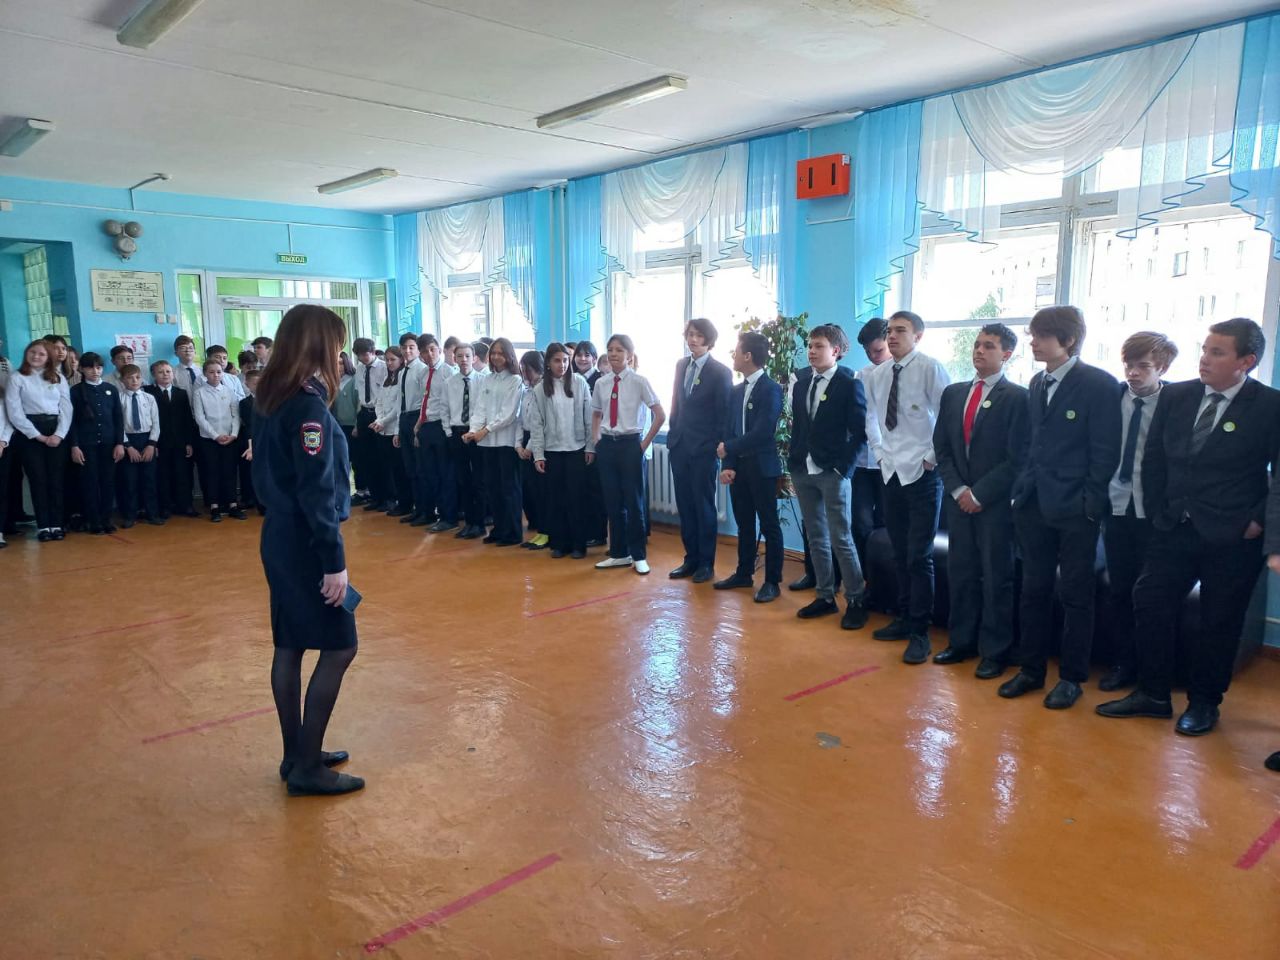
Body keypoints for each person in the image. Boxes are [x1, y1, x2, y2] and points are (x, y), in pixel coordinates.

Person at [1098, 318, 1280, 736]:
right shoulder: (1177, 395)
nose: (1204, 359)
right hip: (1174, 527)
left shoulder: (1270, 405)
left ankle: (1204, 703)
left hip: (1234, 536)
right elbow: (1155, 459)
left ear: (1246, 361)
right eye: (1204, 349)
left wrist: (1257, 522)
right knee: (1149, 600)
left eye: (1217, 352)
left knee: (1219, 621)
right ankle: (1153, 694)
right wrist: (1160, 510)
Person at [251, 304, 362, 797]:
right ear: (318, 345)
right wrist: (333, 563)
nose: (339, 356)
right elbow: (316, 493)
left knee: (291, 645)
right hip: (305, 542)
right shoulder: (308, 407)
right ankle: (308, 769)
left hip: (279, 534)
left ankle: (296, 753)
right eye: (336, 346)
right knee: (340, 646)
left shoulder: (269, 397)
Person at [1003, 306, 1121, 709]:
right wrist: (1021, 489)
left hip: (1076, 510)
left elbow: (1105, 451)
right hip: (1033, 503)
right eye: (1032, 334)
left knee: (1076, 595)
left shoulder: (1099, 384)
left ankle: (1071, 677)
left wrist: (1090, 503)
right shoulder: (1037, 382)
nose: (1033, 342)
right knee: (1033, 590)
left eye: (1041, 336)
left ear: (1068, 340)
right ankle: (1031, 669)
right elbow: (1030, 444)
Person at [931, 323, 1028, 678]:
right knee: (962, 573)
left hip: (995, 505)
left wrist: (980, 493)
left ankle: (995, 650)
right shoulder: (954, 393)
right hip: (959, 502)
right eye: (977, 344)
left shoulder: (1017, 398)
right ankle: (961, 642)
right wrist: (959, 490)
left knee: (997, 577)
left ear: (1006, 354)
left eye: (989, 346)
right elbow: (942, 448)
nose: (979, 351)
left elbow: (1018, 458)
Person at [863, 310, 950, 664]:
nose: (892, 336)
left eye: (901, 330)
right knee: (899, 552)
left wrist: (931, 458)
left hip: (923, 474)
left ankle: (919, 631)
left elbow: (946, 417)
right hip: (891, 471)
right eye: (890, 330)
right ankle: (903, 617)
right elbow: (871, 416)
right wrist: (879, 453)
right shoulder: (878, 374)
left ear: (918, 336)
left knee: (919, 555)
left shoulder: (930, 368)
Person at [1097, 332, 1178, 692]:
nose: (1133, 372)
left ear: (1162, 367)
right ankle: (1123, 663)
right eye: (1129, 365)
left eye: (1143, 366)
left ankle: (1153, 672)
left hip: (1155, 513)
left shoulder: (1176, 403)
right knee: (1120, 591)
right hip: (1116, 508)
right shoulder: (1111, 398)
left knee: (1152, 596)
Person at [788, 324, 869, 628]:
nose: (811, 351)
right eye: (810, 345)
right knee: (815, 536)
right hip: (803, 469)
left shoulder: (849, 383)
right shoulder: (801, 383)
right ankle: (824, 596)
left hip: (832, 472)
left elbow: (859, 433)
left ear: (835, 351)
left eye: (818, 346)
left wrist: (842, 469)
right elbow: (799, 427)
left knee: (841, 538)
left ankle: (856, 599)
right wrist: (794, 461)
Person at [715, 331, 785, 603]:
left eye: (736, 351)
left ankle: (772, 582)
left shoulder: (771, 389)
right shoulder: (736, 391)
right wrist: (728, 464)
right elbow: (729, 429)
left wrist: (729, 448)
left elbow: (763, 432)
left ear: (748, 356)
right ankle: (743, 573)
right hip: (739, 468)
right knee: (744, 523)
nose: (733, 355)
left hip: (762, 467)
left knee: (769, 524)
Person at [591, 334, 665, 575]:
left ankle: (639, 555)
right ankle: (618, 553)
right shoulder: (601, 383)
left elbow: (660, 414)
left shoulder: (639, 381)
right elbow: (596, 413)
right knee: (613, 502)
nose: (613, 354)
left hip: (630, 444)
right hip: (607, 445)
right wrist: (596, 439)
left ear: (629, 355)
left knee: (634, 503)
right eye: (610, 349)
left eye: (619, 350)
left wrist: (643, 445)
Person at [666, 318, 733, 582]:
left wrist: (715, 446)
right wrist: (673, 433)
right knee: (685, 504)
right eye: (690, 334)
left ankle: (706, 562)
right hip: (679, 446)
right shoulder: (681, 365)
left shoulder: (720, 372)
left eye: (699, 335)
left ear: (709, 340)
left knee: (703, 506)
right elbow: (676, 403)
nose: (693, 339)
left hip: (704, 450)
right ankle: (690, 558)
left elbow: (724, 414)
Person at [526, 342, 594, 559]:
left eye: (565, 360)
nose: (562, 365)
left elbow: (589, 418)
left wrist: (590, 447)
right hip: (552, 451)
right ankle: (560, 543)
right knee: (556, 499)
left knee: (576, 499)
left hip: (576, 449)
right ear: (548, 363)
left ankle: (578, 545)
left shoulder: (579, 383)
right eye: (557, 360)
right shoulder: (540, 389)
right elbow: (537, 424)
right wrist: (538, 454)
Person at [6, 339, 72, 542]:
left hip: (56, 431)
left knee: (56, 480)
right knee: (38, 480)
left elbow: (66, 408)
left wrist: (59, 434)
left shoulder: (58, 378)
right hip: (29, 433)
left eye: (41, 354)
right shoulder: (17, 378)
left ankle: (56, 524)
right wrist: (38, 436)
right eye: (32, 352)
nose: (36, 356)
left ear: (48, 357)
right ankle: (43, 526)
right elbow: (14, 411)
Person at [465, 337, 524, 546]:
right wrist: (473, 430)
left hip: (505, 442)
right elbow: (479, 408)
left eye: (501, 353)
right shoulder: (487, 379)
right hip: (486, 443)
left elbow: (509, 413)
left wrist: (486, 430)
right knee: (492, 488)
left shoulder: (515, 380)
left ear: (509, 356)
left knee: (509, 489)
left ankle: (513, 532)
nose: (497, 357)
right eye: (494, 353)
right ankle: (499, 530)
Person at [68, 352, 125, 535]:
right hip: (87, 444)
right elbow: (72, 421)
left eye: (99, 367)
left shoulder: (111, 389)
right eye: (90, 367)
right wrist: (75, 445)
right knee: (90, 483)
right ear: (82, 369)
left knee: (108, 482)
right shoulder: (76, 391)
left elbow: (118, 418)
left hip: (109, 443)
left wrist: (119, 443)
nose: (95, 371)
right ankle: (93, 521)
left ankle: (106, 519)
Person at [191, 359, 245, 522]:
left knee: (230, 471)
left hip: (230, 438)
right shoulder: (199, 393)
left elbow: (235, 415)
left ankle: (233, 505)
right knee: (212, 472)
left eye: (219, 372)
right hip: (209, 439)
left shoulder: (229, 391)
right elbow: (200, 417)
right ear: (205, 374)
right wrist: (215, 435)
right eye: (211, 372)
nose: (216, 375)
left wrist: (233, 434)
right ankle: (214, 506)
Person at [413, 334, 456, 531]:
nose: (429, 354)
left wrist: (448, 430)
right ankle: (433, 513)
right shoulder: (423, 374)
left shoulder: (448, 372)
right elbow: (425, 401)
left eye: (432, 349)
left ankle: (449, 517)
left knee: (445, 473)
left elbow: (450, 403)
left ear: (439, 349)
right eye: (424, 351)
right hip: (426, 426)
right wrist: (418, 425)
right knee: (429, 473)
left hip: (442, 426)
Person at [146, 360, 197, 518]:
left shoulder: (181, 393)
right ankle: (166, 506)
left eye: (168, 371)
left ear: (173, 374)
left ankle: (185, 505)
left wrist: (189, 442)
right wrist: (152, 443)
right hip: (160, 441)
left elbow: (187, 419)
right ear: (154, 375)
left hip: (180, 441)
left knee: (183, 474)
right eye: (160, 372)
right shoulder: (148, 392)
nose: (165, 375)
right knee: (163, 475)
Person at [443, 342, 484, 538]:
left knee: (478, 479)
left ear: (474, 358)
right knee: (463, 479)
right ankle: (468, 522)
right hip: (457, 432)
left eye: (467, 356)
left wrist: (476, 431)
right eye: (460, 356)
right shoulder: (449, 382)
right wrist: (449, 433)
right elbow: (444, 409)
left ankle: (480, 523)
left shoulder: (483, 381)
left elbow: (485, 409)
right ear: (454, 358)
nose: (464, 360)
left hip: (476, 434)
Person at [117, 364, 163, 527]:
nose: (134, 381)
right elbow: (118, 425)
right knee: (130, 481)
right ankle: (130, 515)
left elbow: (156, 423)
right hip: (128, 441)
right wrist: (128, 446)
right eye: (129, 378)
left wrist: (151, 445)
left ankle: (152, 513)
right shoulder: (119, 398)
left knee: (149, 480)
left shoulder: (149, 398)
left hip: (147, 439)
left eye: (137, 377)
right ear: (122, 380)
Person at [516, 350, 550, 549]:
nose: (524, 373)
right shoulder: (527, 390)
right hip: (526, 438)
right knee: (531, 490)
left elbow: (541, 423)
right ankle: (539, 529)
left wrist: (529, 448)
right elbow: (521, 420)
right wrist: (519, 445)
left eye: (527, 369)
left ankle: (546, 532)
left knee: (543, 492)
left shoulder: (544, 389)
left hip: (539, 442)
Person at [371, 346, 410, 515]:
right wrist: (378, 419)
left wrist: (383, 421)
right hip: (382, 429)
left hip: (395, 428)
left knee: (399, 469)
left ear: (401, 360)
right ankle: (390, 499)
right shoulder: (387, 378)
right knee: (386, 467)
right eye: (387, 360)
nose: (389, 363)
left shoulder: (402, 378)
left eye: (393, 359)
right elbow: (379, 402)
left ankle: (403, 501)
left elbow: (397, 407)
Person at [350, 338, 385, 508]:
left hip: (379, 414)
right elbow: (359, 396)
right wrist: (357, 423)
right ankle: (374, 496)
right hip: (364, 413)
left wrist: (381, 418)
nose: (363, 358)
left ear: (373, 351)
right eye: (359, 355)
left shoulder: (384, 367)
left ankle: (387, 498)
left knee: (381, 457)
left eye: (366, 354)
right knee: (367, 457)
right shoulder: (360, 369)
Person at [393, 334, 425, 523]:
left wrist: (418, 426)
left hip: (416, 418)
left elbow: (423, 400)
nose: (407, 351)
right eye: (404, 347)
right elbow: (399, 401)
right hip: (404, 418)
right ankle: (415, 508)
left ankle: (425, 510)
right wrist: (397, 429)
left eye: (411, 347)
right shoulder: (402, 372)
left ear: (418, 349)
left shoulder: (421, 370)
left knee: (420, 468)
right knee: (410, 467)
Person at [238, 368, 262, 512]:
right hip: (250, 440)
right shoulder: (244, 403)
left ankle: (262, 501)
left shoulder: (269, 401)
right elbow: (249, 424)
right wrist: (251, 444)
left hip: (265, 440)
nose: (258, 386)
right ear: (247, 384)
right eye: (254, 383)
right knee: (248, 471)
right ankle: (248, 498)